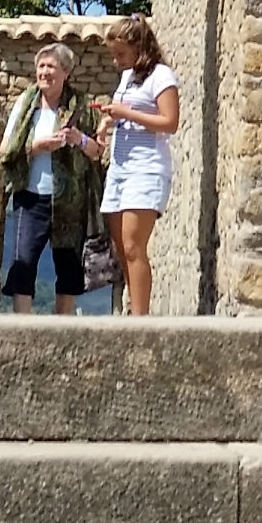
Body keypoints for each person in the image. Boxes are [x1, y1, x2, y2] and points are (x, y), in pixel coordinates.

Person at [0, 44, 104, 314]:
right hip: (30, 196)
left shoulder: (82, 106)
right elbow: (5, 149)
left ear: (65, 72)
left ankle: (62, 326)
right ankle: (22, 326)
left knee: (68, 266)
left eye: (51, 67)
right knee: (23, 261)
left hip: (69, 200)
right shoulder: (25, 104)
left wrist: (79, 139)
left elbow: (96, 153)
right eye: (41, 66)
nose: (44, 72)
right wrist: (38, 146)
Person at [90, 17, 181, 315]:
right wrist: (108, 121)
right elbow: (126, 112)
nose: (117, 62)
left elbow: (169, 122)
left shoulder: (161, 76)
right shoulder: (128, 77)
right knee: (120, 249)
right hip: (120, 169)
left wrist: (127, 112)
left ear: (139, 47)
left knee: (133, 246)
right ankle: (133, 310)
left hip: (146, 168)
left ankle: (141, 320)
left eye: (121, 54)